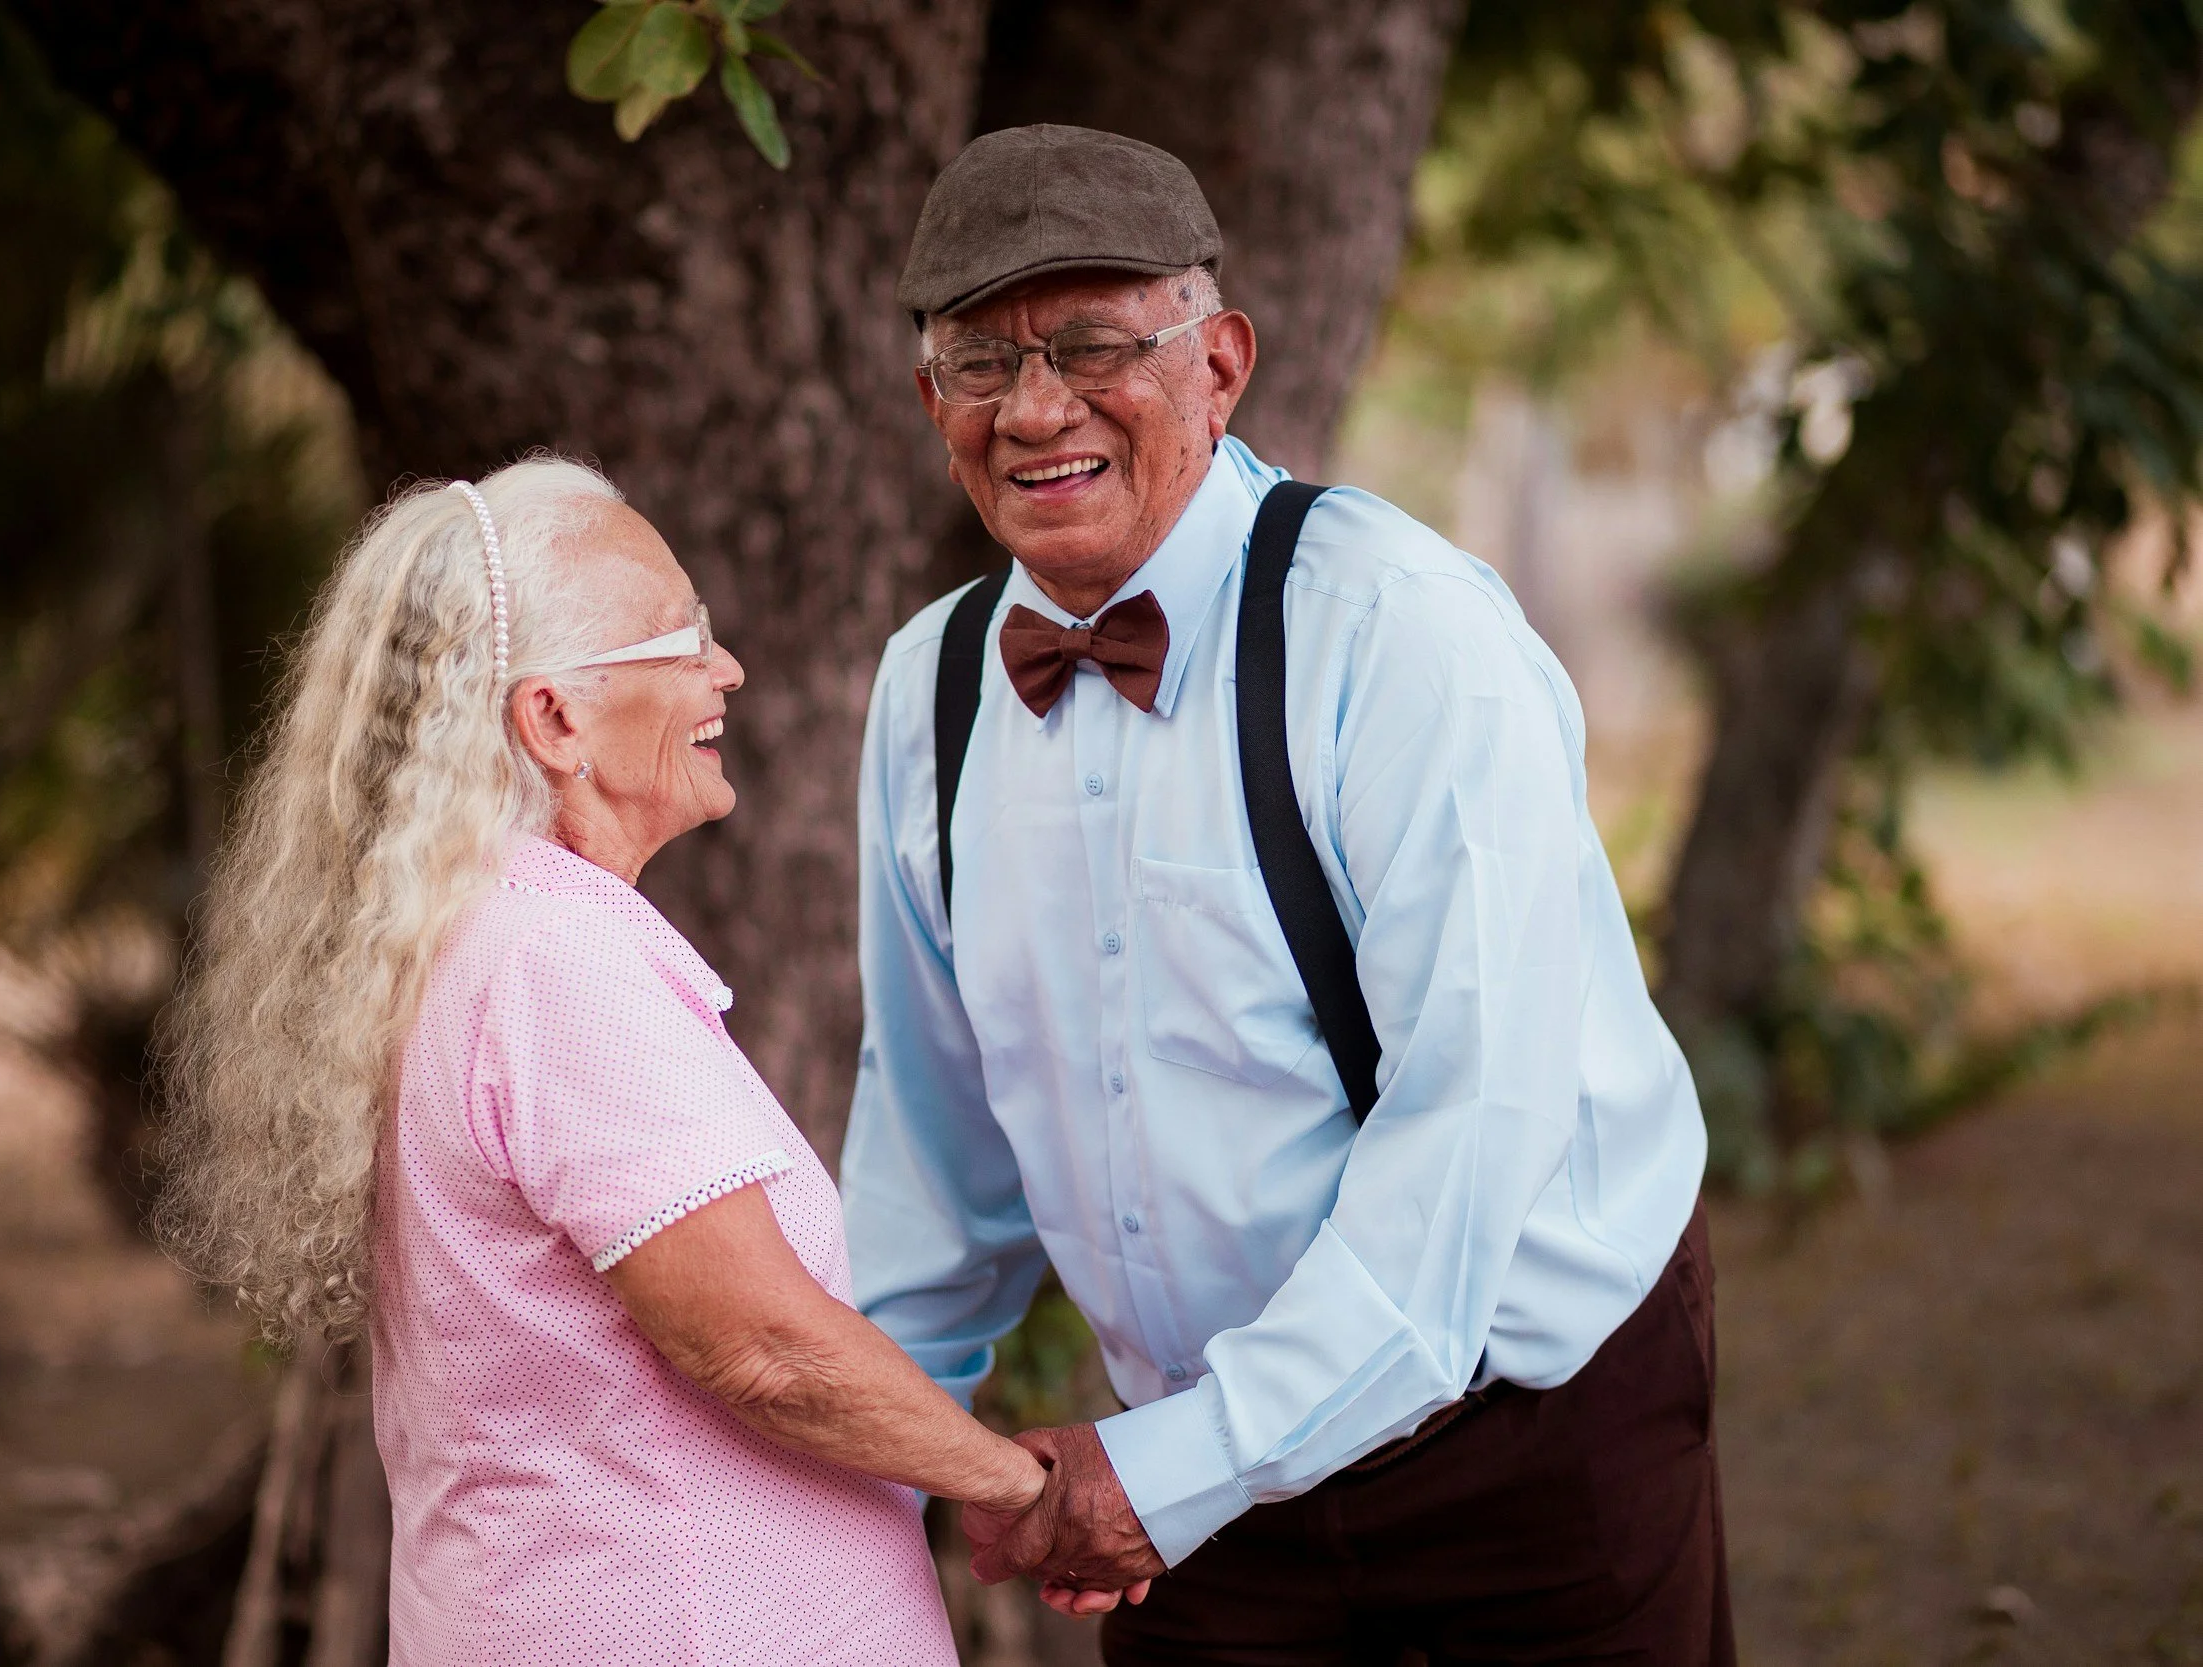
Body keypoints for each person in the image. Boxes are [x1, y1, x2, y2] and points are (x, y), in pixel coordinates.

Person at [843, 124, 1734, 1663]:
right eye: (983, 361)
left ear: (1221, 364)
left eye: (1097, 344)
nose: (1037, 406)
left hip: (1522, 1434)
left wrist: (1173, 1468)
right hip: (1200, 1483)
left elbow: (1468, 1142)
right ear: (934, 404)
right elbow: (932, 1154)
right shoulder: (929, 690)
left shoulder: (1398, 636)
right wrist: (855, 1455)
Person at [158, 457, 1046, 1666]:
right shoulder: (555, 962)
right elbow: (761, 1345)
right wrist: (1015, 1484)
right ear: (555, 717)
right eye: (681, 638)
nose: (724, 669)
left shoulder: (461, 937)